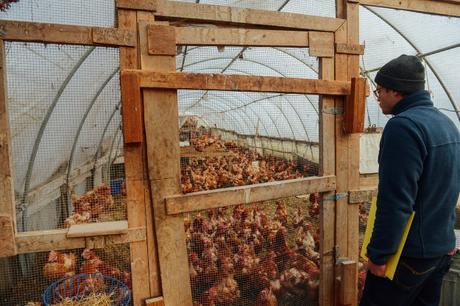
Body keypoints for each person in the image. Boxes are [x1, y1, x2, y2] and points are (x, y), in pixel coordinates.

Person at [360, 54, 460, 306]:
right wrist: (447, 236)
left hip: (407, 257)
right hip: (439, 252)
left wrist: (379, 255)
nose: (378, 96)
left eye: (379, 90)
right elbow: (449, 187)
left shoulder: (403, 127)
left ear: (396, 90)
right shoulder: (447, 124)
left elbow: (396, 202)